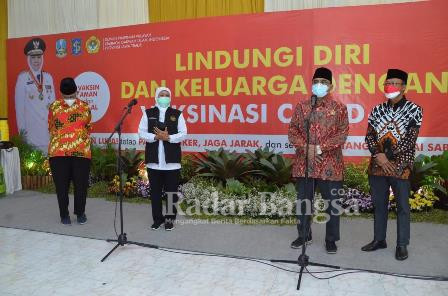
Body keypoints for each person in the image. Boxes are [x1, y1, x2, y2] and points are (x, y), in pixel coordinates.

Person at [361, 69, 423, 261]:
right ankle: (379, 240)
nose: (390, 86)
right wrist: (379, 156)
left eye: (395, 83)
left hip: (401, 167)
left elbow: (409, 140)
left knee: (402, 207)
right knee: (379, 205)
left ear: (404, 87)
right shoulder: (377, 110)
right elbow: (369, 136)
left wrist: (387, 156)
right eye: (388, 83)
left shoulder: (414, 109)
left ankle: (402, 244)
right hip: (377, 165)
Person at [288, 67, 349, 254]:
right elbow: (293, 131)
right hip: (305, 164)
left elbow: (342, 133)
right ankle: (304, 235)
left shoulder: (339, 108)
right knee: (304, 202)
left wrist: (320, 148)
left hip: (330, 164)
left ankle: (331, 239)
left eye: (323, 82)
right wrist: (306, 148)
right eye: (316, 82)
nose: (319, 85)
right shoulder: (302, 106)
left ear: (331, 86)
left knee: (332, 204)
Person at [138, 86, 187, 231]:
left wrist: (168, 137)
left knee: (171, 193)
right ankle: (157, 219)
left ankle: (170, 219)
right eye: (161, 94)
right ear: (156, 97)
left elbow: (184, 133)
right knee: (155, 193)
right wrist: (155, 136)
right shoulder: (148, 113)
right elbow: (141, 132)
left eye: (166, 95)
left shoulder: (177, 114)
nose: (164, 97)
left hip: (171, 164)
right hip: (154, 163)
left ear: (170, 97)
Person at [48, 77, 92, 225]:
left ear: (60, 91)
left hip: (59, 152)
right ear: (76, 90)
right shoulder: (85, 106)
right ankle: (80, 215)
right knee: (80, 186)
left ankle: (64, 216)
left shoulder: (53, 106)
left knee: (62, 186)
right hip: (79, 152)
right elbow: (88, 127)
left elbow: (51, 127)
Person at [15, 38, 55, 152]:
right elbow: (19, 110)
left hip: (47, 133)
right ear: (28, 59)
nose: (36, 61)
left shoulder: (48, 78)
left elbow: (53, 106)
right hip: (31, 134)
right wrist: (22, 135)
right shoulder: (22, 79)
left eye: (38, 57)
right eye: (33, 57)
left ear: (42, 58)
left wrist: (54, 129)